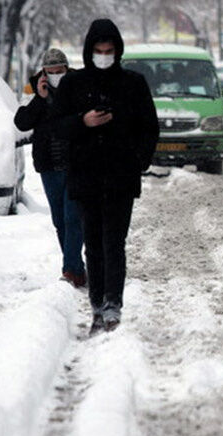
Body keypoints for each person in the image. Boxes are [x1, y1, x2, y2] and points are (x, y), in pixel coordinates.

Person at [50, 19, 159, 333]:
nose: (103, 56)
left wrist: (138, 159)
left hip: (121, 176)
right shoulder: (73, 84)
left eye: (109, 51)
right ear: (88, 51)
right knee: (93, 244)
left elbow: (149, 127)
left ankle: (113, 305)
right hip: (85, 176)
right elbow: (56, 126)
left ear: (117, 51)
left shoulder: (133, 84)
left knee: (115, 242)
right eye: (98, 51)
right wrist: (83, 121)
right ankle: (97, 304)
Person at [14, 48, 86, 287]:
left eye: (60, 71)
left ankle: (70, 271)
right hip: (49, 165)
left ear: (67, 69)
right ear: (44, 72)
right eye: (51, 72)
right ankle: (76, 267)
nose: (56, 75)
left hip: (76, 163)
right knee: (60, 220)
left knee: (72, 216)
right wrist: (40, 97)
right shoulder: (34, 89)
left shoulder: (79, 85)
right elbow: (22, 122)